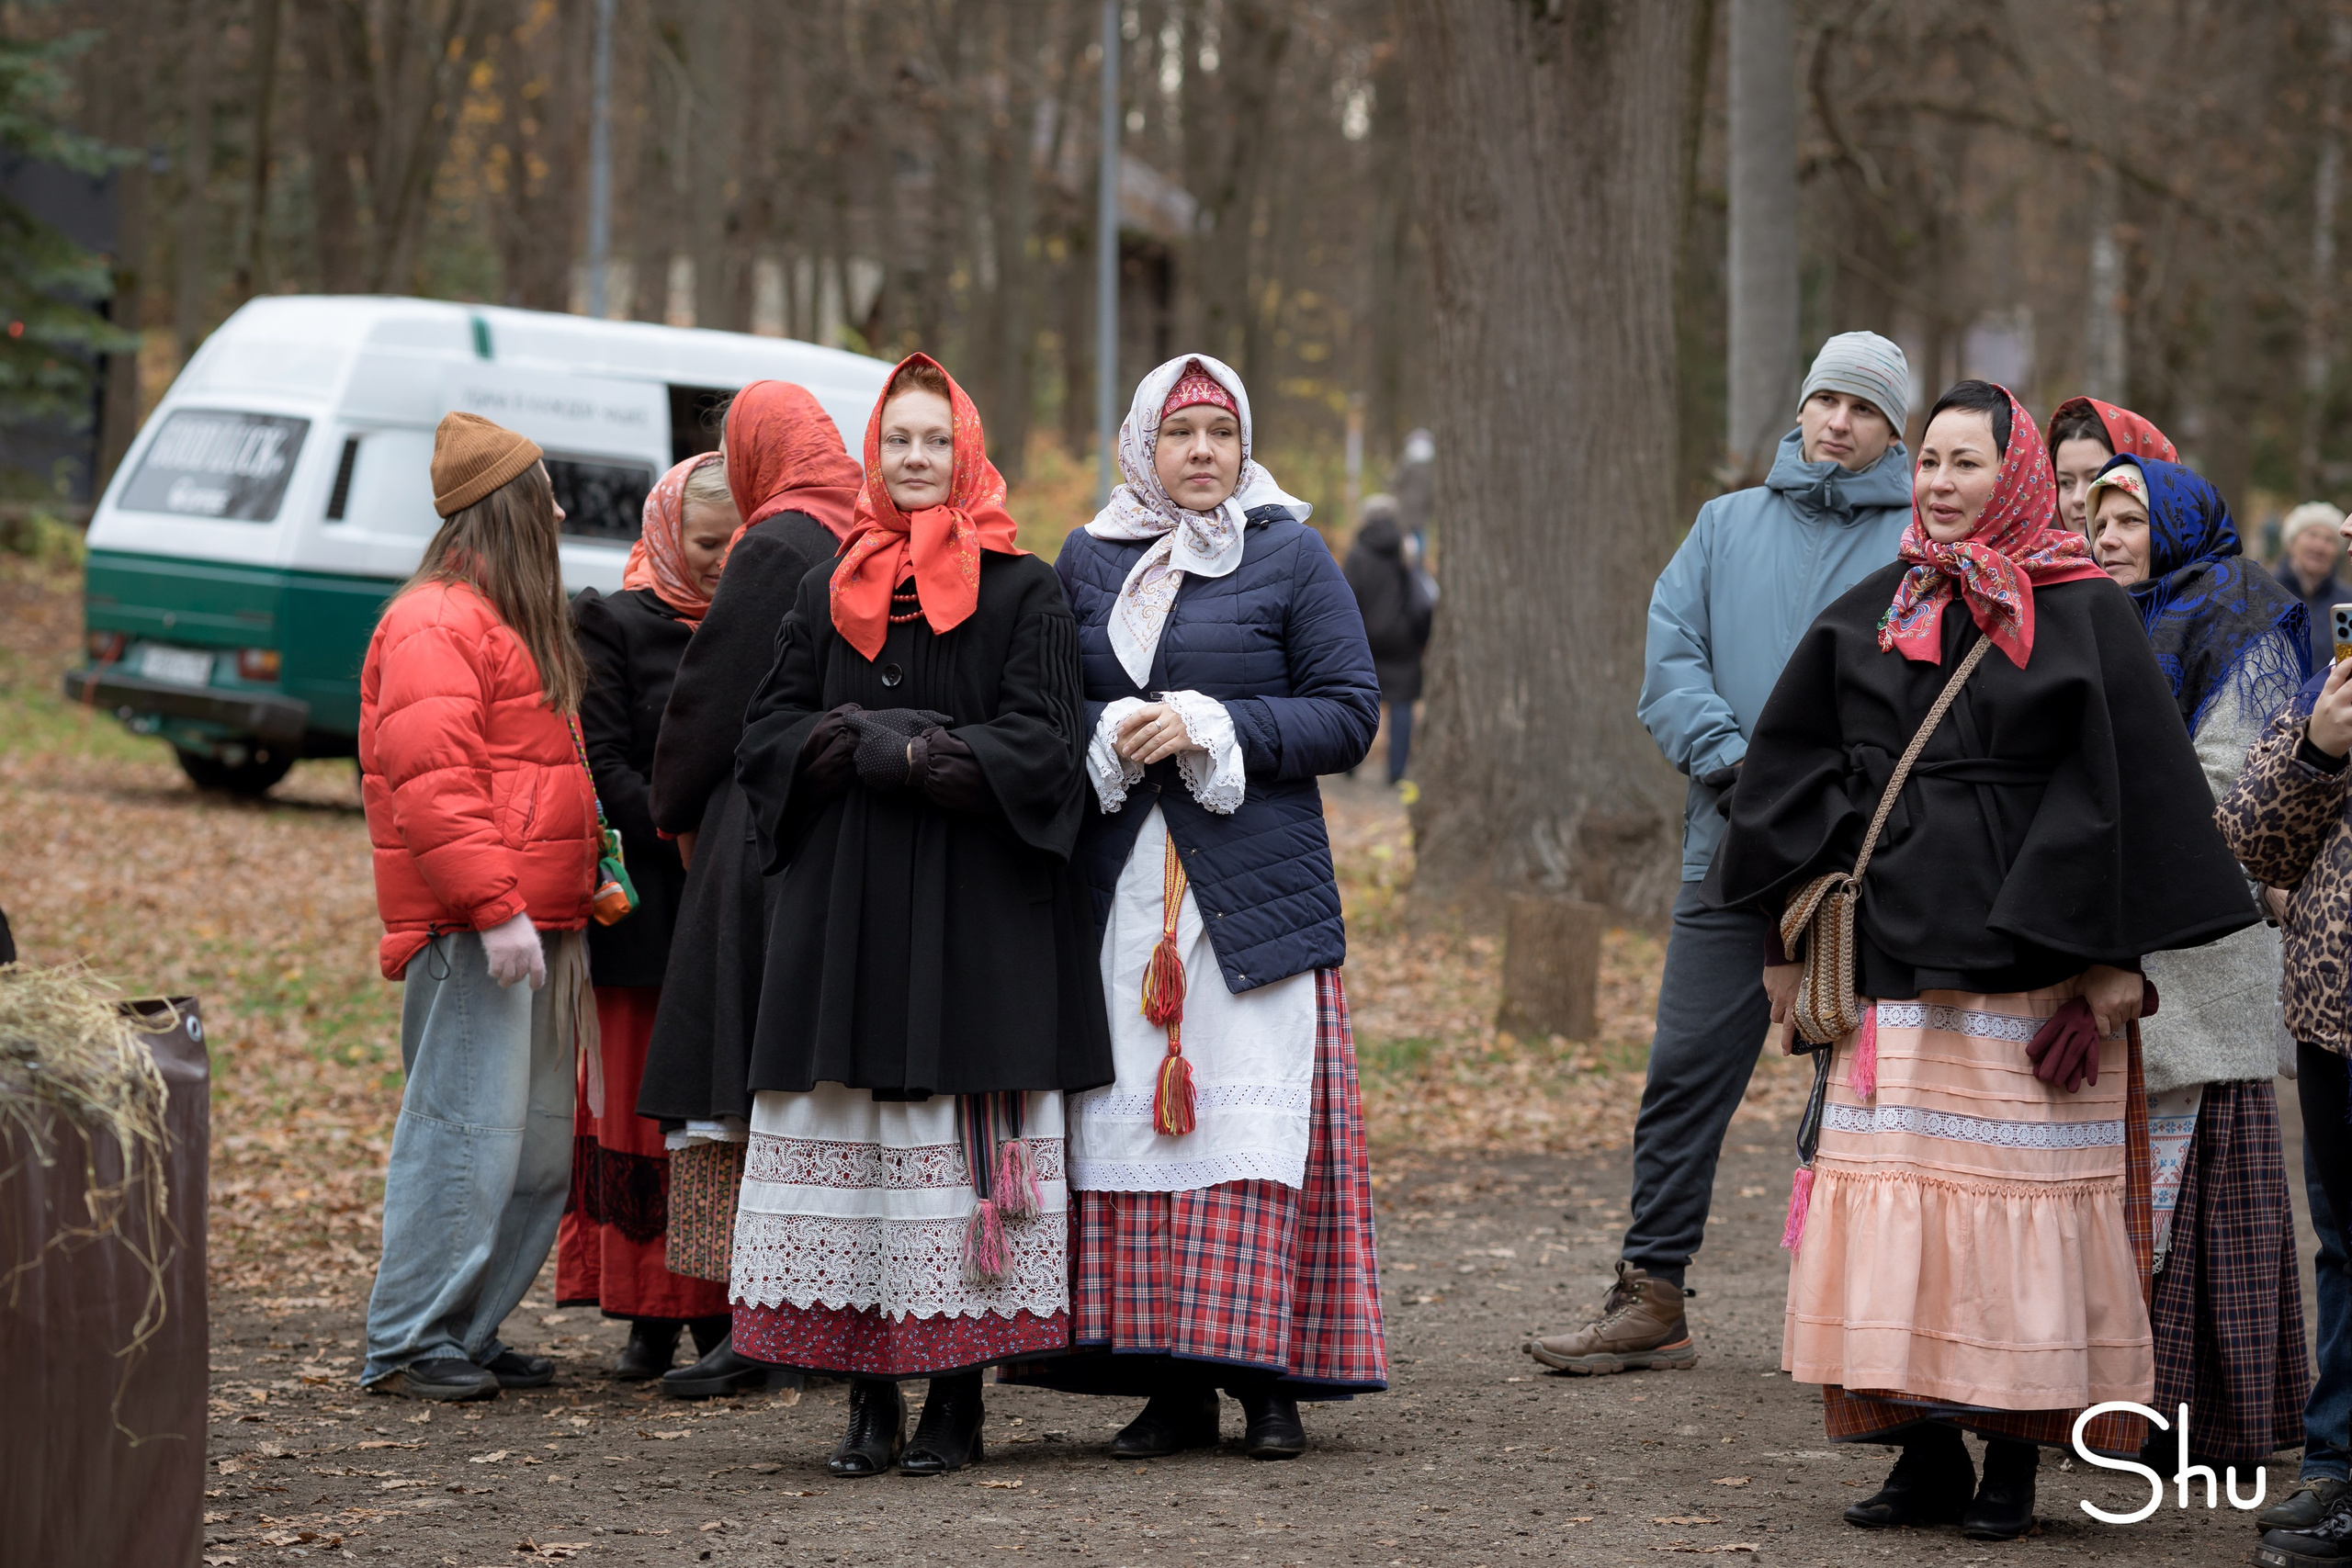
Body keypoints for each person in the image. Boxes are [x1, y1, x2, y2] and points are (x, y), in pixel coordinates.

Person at [1705, 380, 2259, 1540]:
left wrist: (2105, 957)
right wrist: (1783, 929)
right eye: (1931, 465)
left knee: (2017, 1223)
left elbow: (2127, 791)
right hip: (1891, 968)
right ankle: (1919, 1457)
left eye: (1967, 465)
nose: (1942, 486)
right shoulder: (1876, 605)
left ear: (2008, 476)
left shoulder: (2082, 611)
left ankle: (2008, 1466)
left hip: (2028, 963)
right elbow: (1789, 769)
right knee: (1892, 1218)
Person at [726, 354, 1113, 1477]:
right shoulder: (822, 588)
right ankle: (865, 1400)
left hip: (971, 913)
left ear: (966, 451)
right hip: (845, 915)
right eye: (896, 440)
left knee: (945, 1154)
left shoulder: (1023, 587)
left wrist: (930, 756)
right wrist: (835, 744)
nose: (913, 459)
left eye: (933, 441)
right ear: (871, 451)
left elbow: (1050, 743)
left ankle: (955, 1402)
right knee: (853, 1143)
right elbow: (765, 732)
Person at [1002, 352, 1386, 1461]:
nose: (1204, 453)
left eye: (1221, 431)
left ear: (1246, 443)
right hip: (1122, 894)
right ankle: (1168, 1387)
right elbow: (1046, 699)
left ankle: (1265, 1382)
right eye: (1181, 435)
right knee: (1135, 1134)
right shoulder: (1087, 557)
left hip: (1250, 897)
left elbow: (1349, 712)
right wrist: (1099, 734)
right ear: (1142, 447)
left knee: (1244, 1132)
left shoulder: (1290, 552)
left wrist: (1219, 726)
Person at [1527, 330, 1915, 1376]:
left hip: (1866, 863)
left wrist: (1828, 803)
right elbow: (1671, 662)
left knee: (1870, 1090)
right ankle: (1652, 1293)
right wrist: (1744, 773)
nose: (1837, 422)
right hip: (1731, 845)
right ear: (1800, 408)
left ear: (1894, 431)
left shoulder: (1921, 544)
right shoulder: (1722, 525)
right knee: (1685, 1071)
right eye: (1825, 399)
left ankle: (1869, 1318)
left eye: (1863, 409)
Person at [357, 413, 601, 1402]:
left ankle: (467, 1324)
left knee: (536, 1146)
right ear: (502, 508)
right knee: (462, 1135)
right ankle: (411, 1340)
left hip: (541, 927)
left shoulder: (498, 620)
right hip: (479, 932)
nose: (554, 508)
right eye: (539, 491)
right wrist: (495, 908)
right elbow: (432, 783)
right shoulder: (434, 622)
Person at [2082, 456, 2311, 1472]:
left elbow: (2231, 783)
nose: (2108, 535)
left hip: (2203, 947)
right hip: (2108, 933)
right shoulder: (2101, 619)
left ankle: (2194, 1417)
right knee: (2118, 1186)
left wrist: (2101, 833)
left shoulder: (2240, 614)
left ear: (2175, 521)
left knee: (2197, 1191)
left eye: (2128, 516)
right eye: (2096, 517)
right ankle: (2102, 1409)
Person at [636, 381, 861, 1398]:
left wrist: (669, 803)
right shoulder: (859, 529)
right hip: (828, 827)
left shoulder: (777, 545)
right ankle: (806, 1319)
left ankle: (758, 1326)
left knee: (744, 1080)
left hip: (752, 828)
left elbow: (712, 695)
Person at [555, 454, 740, 1379]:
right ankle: (642, 1308)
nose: (721, 560)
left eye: (735, 543)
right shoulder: (612, 622)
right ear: (669, 534)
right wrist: (679, 823)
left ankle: (710, 1305)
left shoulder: (754, 622)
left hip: (726, 903)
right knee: (634, 1108)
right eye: (708, 543)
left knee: (706, 1116)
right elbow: (599, 753)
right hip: (644, 902)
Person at [1343, 492, 1432, 784]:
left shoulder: (1357, 553)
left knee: (1356, 698)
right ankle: (1396, 772)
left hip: (1363, 638)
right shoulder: (1406, 550)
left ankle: (1350, 763)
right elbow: (1417, 596)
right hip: (1402, 639)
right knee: (1402, 702)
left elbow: (1346, 597)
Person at [2045, 395, 2174, 537]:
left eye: (2097, 478)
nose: (2078, 498)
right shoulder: (2037, 558)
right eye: (2066, 483)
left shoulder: (2195, 557)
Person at [2276, 502, 2348, 673]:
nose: (2319, 546)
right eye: (2312, 535)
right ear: (2292, 542)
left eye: (2329, 540)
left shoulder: (2347, 601)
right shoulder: (2265, 591)